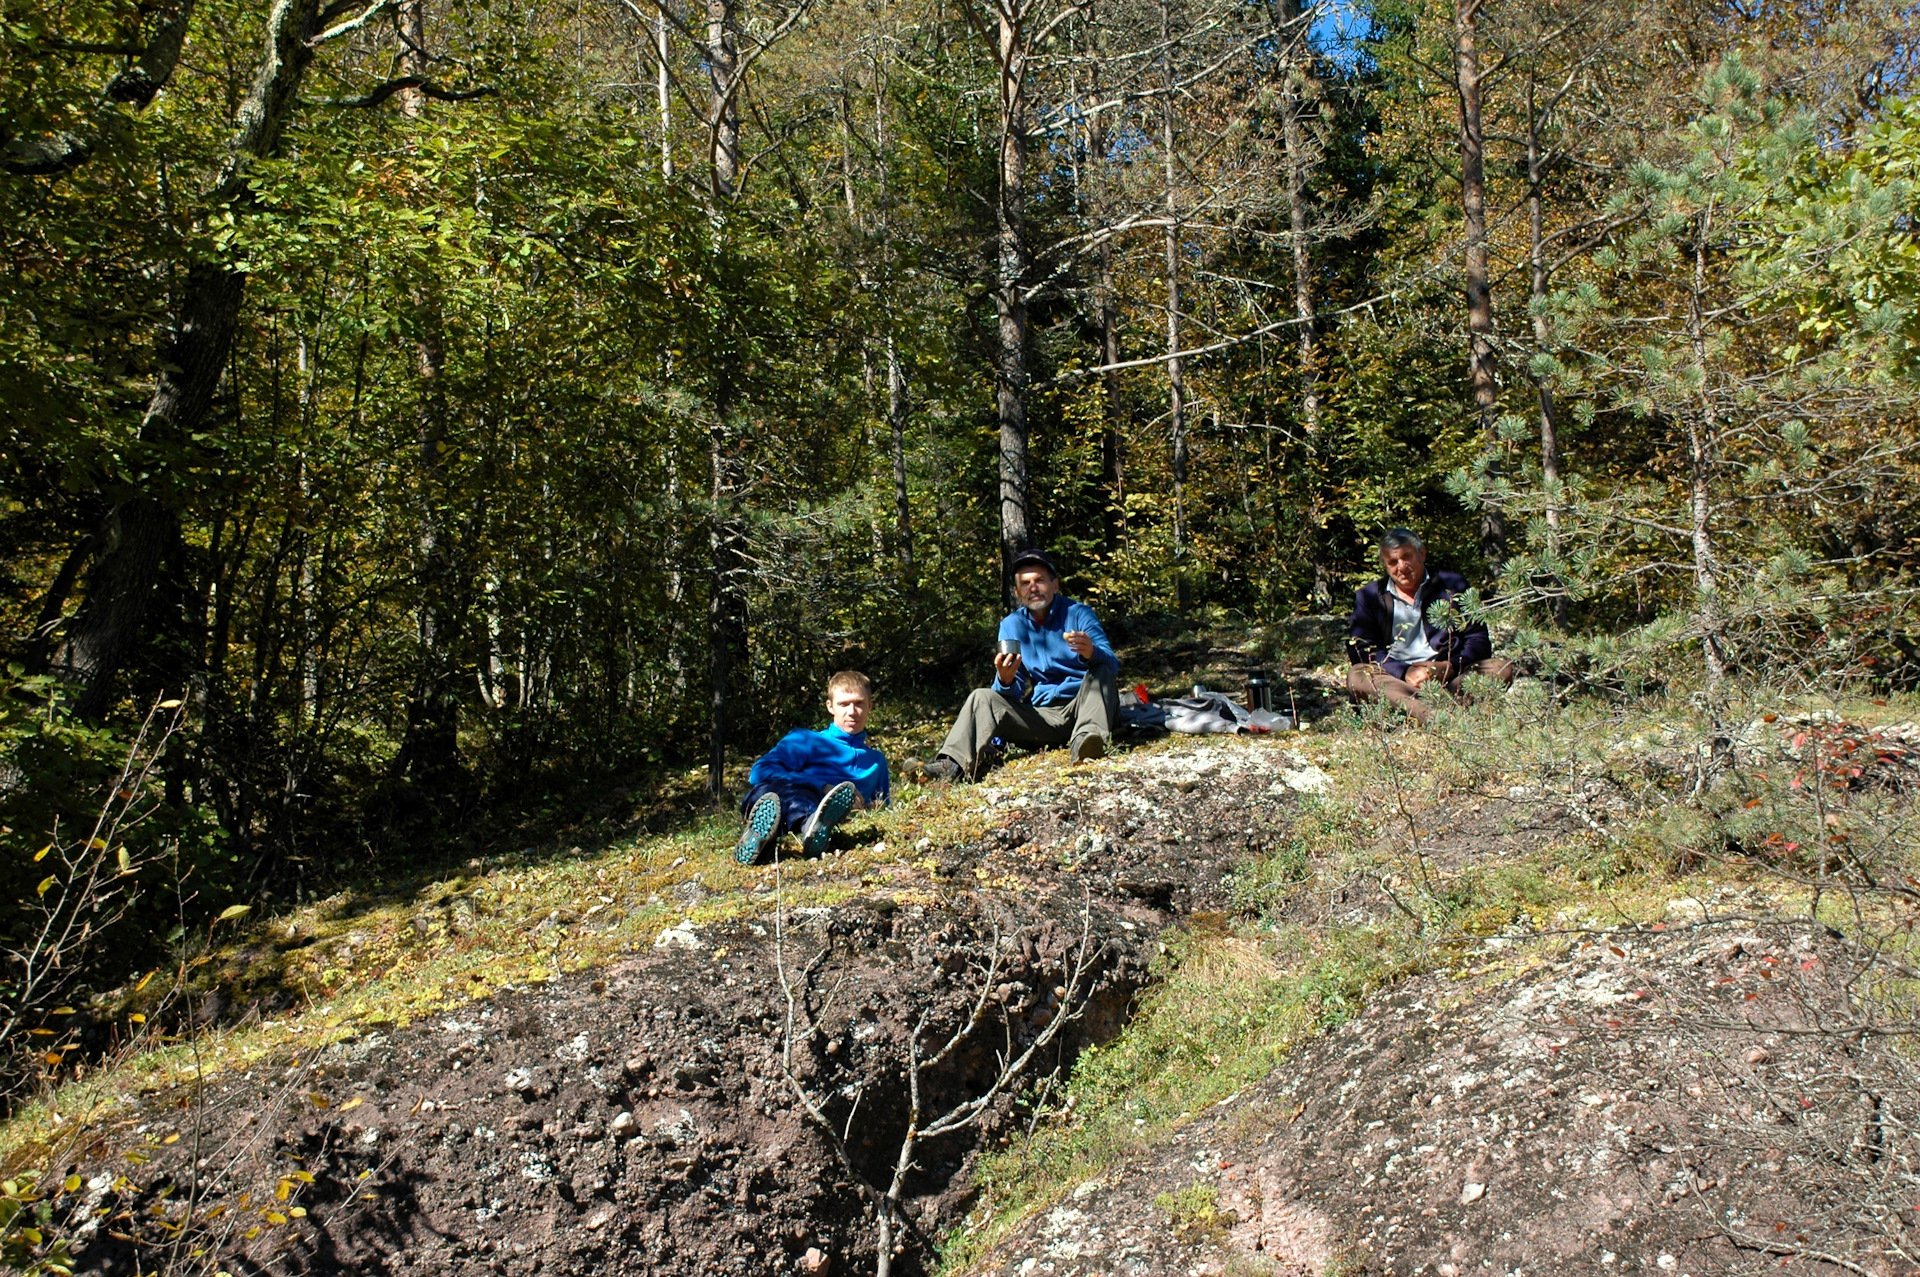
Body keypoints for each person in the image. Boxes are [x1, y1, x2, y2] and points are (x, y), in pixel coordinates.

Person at [922, 549, 1119, 782]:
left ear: (1055, 585)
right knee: (981, 697)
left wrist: (1091, 652)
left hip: (1085, 706)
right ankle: (951, 765)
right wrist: (1005, 679)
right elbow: (1009, 694)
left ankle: (1087, 744)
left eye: (1039, 580)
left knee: (1100, 671)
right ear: (1017, 592)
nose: (1033, 588)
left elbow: (1111, 664)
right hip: (1042, 716)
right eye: (1025, 583)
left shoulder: (1079, 614)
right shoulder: (1011, 626)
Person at [1346, 528, 1514, 724]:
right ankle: (1436, 715)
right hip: (1397, 682)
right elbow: (1361, 648)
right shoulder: (1369, 597)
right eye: (1393, 562)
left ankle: (1418, 712)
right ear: (1385, 565)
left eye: (1406, 557)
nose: (1401, 566)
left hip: (1448, 679)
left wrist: (1449, 666)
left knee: (1500, 667)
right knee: (1358, 675)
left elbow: (1478, 638)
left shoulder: (1452, 585)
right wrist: (1404, 672)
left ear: (1422, 553)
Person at [734, 670, 890, 865]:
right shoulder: (806, 740)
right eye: (843, 704)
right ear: (830, 706)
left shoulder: (876, 762)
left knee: (798, 803)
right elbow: (759, 771)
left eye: (859, 703)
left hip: (827, 813)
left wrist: (862, 808)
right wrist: (821, 785)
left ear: (870, 706)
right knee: (773, 791)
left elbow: (882, 807)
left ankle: (775, 842)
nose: (851, 711)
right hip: (778, 798)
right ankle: (799, 830)